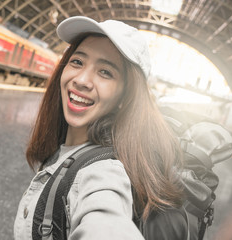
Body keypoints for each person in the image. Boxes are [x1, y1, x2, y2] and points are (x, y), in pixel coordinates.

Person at [14, 16, 184, 240]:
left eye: (105, 72)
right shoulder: (68, 149)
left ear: (126, 97)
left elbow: (105, 220)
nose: (82, 80)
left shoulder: (104, 172)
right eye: (77, 62)